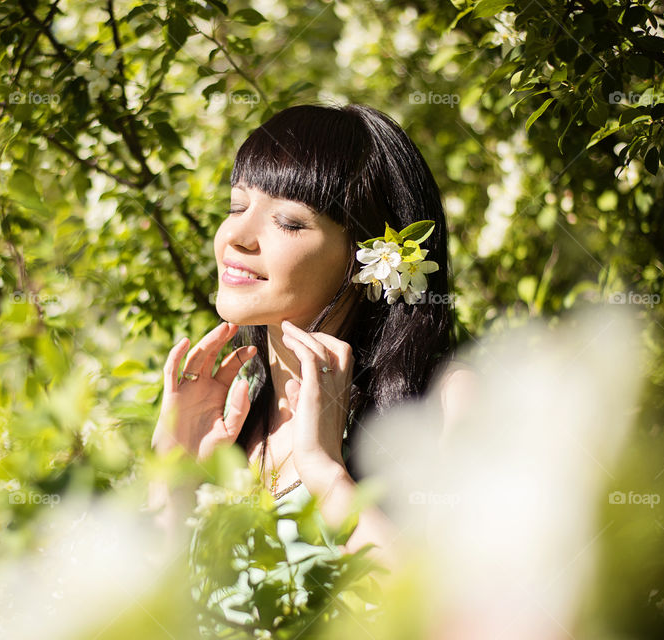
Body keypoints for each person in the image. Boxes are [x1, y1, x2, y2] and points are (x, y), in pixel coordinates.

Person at [149, 103, 478, 571]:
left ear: (369, 259)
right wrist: (174, 474)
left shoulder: (446, 402)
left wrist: (326, 474)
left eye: (288, 221)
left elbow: (459, 615)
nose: (236, 235)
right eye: (237, 205)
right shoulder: (228, 418)